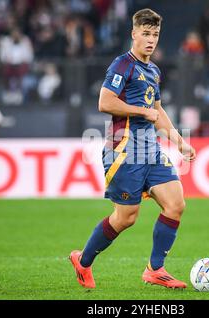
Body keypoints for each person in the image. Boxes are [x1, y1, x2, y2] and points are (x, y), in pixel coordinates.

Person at [69, 8, 196, 289]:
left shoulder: (153, 70)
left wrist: (179, 142)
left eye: (155, 35)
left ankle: (155, 269)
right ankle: (84, 260)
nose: (151, 40)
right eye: (146, 34)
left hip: (150, 150)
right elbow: (105, 102)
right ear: (134, 34)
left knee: (176, 205)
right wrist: (141, 111)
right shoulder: (122, 65)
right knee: (126, 217)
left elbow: (158, 110)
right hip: (123, 150)